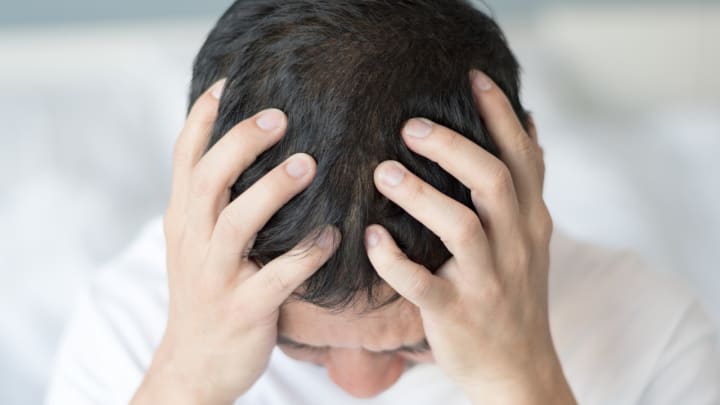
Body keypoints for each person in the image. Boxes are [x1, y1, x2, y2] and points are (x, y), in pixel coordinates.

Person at [45, 0, 720, 404]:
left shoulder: (652, 334)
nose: (359, 385)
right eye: (298, 344)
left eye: (417, 342)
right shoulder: (130, 330)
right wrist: (185, 383)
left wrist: (523, 382)